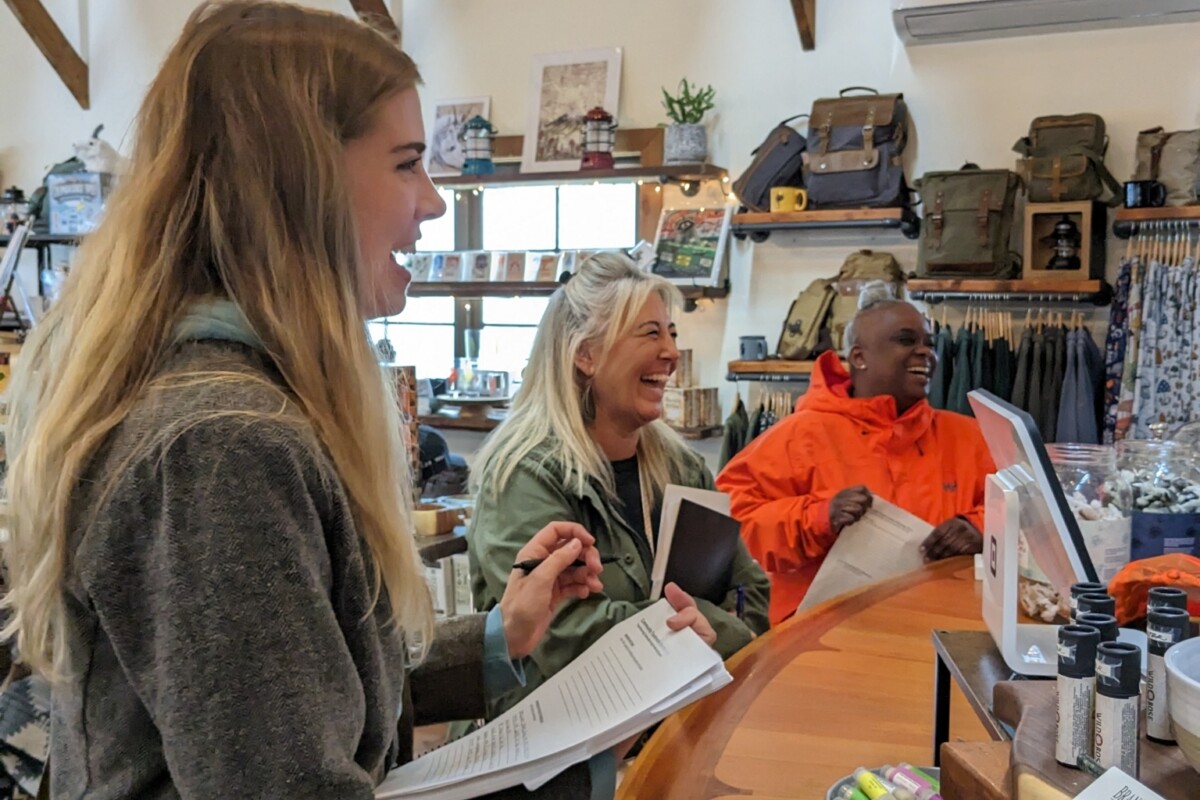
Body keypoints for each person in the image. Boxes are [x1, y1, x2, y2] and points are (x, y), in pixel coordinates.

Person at [0, 4, 712, 798]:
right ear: (297, 180)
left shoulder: (244, 407)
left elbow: (303, 699)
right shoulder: (221, 445)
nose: (434, 201)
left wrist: (498, 634)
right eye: (407, 163)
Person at [469, 253, 771, 719]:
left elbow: (748, 589)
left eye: (672, 332)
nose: (671, 352)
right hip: (554, 758)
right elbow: (566, 635)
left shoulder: (684, 468)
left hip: (673, 730)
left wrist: (717, 635)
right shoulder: (524, 477)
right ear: (585, 354)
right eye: (651, 333)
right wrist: (707, 631)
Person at [717, 282, 995, 624]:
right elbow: (727, 524)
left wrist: (979, 528)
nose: (927, 353)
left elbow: (1030, 513)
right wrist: (818, 517)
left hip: (940, 631)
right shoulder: (800, 435)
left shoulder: (969, 436)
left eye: (929, 343)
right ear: (859, 357)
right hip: (820, 638)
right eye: (906, 340)